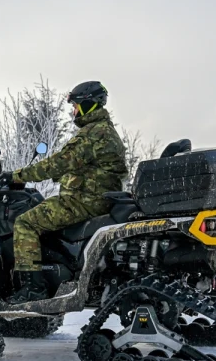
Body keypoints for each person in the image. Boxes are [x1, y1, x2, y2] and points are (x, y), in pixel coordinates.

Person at [8, 80, 127, 303]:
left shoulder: (93, 133)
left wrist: (16, 176)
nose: (73, 111)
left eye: (76, 106)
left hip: (83, 201)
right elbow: (85, 168)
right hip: (99, 198)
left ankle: (32, 289)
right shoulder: (106, 131)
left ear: (88, 104)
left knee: (25, 223)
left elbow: (59, 162)